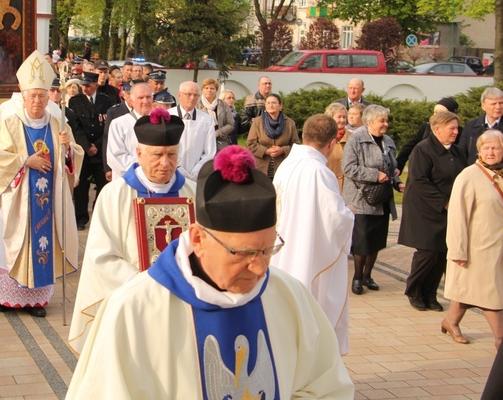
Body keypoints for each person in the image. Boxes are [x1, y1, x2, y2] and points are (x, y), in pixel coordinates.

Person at [66, 146, 354, 399]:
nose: (259, 268)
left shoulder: (289, 296)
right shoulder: (133, 309)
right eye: (243, 253)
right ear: (199, 239)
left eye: (267, 250)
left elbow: (327, 386)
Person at [69, 108, 195, 354]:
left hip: (184, 302)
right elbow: (101, 256)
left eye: (172, 154)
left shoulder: (192, 193)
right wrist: (146, 282)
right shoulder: (114, 195)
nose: (165, 163)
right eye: (157, 154)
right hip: (133, 300)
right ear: (138, 153)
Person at [0, 50, 84, 317]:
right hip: (17, 198)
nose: (37, 101)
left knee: (44, 245)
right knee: (12, 243)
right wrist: (26, 161)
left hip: (49, 199)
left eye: (42, 96)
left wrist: (68, 149)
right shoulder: (11, 123)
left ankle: (36, 300)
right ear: (23, 97)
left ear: (49, 97)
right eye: (32, 96)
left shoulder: (58, 123)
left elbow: (71, 159)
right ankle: (6, 296)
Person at [271, 115, 354, 355]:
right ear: (331, 144)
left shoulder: (287, 164)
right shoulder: (319, 171)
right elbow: (335, 219)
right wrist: (349, 214)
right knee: (312, 315)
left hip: (282, 252)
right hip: (305, 253)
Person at [397, 111, 465, 312]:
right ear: (437, 129)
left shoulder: (458, 151)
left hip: (449, 211)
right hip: (425, 210)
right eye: (451, 128)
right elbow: (419, 180)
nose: (455, 132)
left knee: (443, 254)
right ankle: (414, 290)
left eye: (456, 128)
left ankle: (430, 293)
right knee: (427, 252)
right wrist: (444, 203)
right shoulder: (423, 149)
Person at [444, 130, 503, 348]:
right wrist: (457, 250)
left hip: (499, 247)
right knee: (492, 296)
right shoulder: (468, 176)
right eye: (486, 148)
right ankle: (500, 340)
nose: (491, 152)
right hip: (479, 249)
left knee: (469, 289)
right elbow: (458, 216)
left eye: (495, 147)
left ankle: (451, 321)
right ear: (478, 150)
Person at [342, 104, 404, 295]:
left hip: (382, 199)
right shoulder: (356, 140)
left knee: (376, 241)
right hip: (361, 199)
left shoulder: (388, 141)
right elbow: (349, 168)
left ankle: (368, 275)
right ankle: (357, 278)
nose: (386, 124)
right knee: (362, 242)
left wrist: (398, 182)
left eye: (386, 120)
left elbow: (392, 167)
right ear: (369, 122)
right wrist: (373, 174)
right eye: (382, 121)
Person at [68, 71, 111, 230]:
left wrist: (97, 146)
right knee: (81, 188)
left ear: (96, 85)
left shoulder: (106, 101)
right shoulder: (75, 101)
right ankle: (80, 218)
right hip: (83, 151)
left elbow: (108, 126)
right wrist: (86, 147)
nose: (84, 88)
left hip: (100, 152)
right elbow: (75, 127)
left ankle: (99, 218)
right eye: (82, 85)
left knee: (102, 186)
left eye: (88, 85)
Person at [396, 97, 461, 173]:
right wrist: (399, 165)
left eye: (441, 113)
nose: (436, 115)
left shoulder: (458, 133)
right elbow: (409, 146)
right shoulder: (426, 128)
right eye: (435, 112)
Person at [246, 93, 300, 179]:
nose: (271, 105)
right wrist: (266, 151)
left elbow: (296, 145)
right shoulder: (257, 122)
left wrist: (283, 150)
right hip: (261, 167)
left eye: (274, 103)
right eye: (268, 103)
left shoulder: (289, 123)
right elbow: (250, 144)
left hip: (283, 167)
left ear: (280, 105)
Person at [170, 81, 215, 181]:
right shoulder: (168, 117)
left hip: (197, 175)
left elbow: (210, 152)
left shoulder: (206, 120)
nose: (192, 98)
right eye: (188, 94)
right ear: (179, 95)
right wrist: (178, 169)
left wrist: (197, 171)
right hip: (172, 172)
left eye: (195, 95)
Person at [106, 82, 154, 177]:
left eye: (148, 97)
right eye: (140, 98)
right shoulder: (119, 124)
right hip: (129, 178)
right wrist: (146, 166)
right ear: (131, 101)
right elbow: (116, 156)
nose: (145, 101)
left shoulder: (160, 123)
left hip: (154, 179)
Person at [459, 87, 503, 164]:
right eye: (493, 104)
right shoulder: (470, 126)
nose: (498, 107)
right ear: (483, 106)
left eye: (501, 103)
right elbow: (461, 154)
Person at [197, 78, 235, 151]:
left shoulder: (223, 105)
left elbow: (231, 124)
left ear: (216, 90)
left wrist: (218, 133)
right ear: (202, 89)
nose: (209, 90)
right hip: (201, 142)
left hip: (221, 142)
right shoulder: (197, 104)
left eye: (212, 88)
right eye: (206, 88)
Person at [324, 103, 351, 192]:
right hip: (328, 185)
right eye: (339, 117)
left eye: (344, 117)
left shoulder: (353, 137)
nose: (342, 120)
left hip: (348, 188)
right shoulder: (323, 136)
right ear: (330, 117)